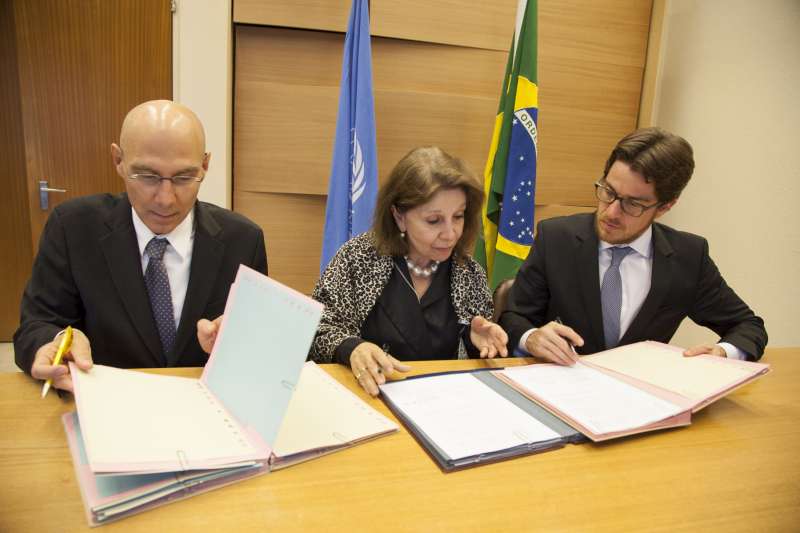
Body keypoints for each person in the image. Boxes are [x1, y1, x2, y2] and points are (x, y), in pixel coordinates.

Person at [14, 100, 267, 393]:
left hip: (204, 407)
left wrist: (238, 344)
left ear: (205, 165)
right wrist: (57, 342)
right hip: (105, 402)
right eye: (147, 177)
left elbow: (259, 347)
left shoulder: (244, 241)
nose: (166, 199)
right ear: (118, 160)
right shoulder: (72, 228)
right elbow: (37, 324)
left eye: (184, 177)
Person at [500, 127, 767, 364]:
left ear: (665, 206)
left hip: (642, 396)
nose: (611, 212)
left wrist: (723, 353)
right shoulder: (556, 238)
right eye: (608, 192)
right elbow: (513, 317)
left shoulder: (688, 257)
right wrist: (531, 337)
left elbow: (748, 326)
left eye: (633, 204)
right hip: (559, 388)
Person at [308, 146, 508, 396]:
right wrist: (352, 348)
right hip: (367, 396)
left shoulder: (468, 272)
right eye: (434, 220)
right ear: (399, 216)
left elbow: (473, 359)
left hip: (441, 400)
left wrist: (473, 339)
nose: (450, 234)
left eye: (458, 216)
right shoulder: (358, 257)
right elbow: (316, 331)